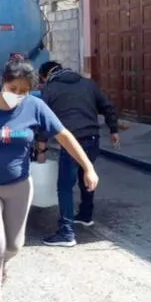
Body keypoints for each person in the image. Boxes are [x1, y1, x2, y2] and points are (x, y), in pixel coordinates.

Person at [0, 55, 99, 302]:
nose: (17, 95)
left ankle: (1, 264)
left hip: (18, 185)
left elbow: (64, 135)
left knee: (15, 246)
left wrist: (88, 166)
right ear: (3, 83)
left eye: (24, 91)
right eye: (13, 89)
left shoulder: (35, 106)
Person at [36, 61, 119, 247]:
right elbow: (108, 106)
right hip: (92, 138)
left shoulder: (50, 88)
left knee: (65, 186)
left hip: (72, 142)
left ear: (45, 75)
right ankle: (85, 215)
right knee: (87, 176)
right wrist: (114, 130)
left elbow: (43, 118)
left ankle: (66, 232)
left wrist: (41, 147)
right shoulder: (88, 84)